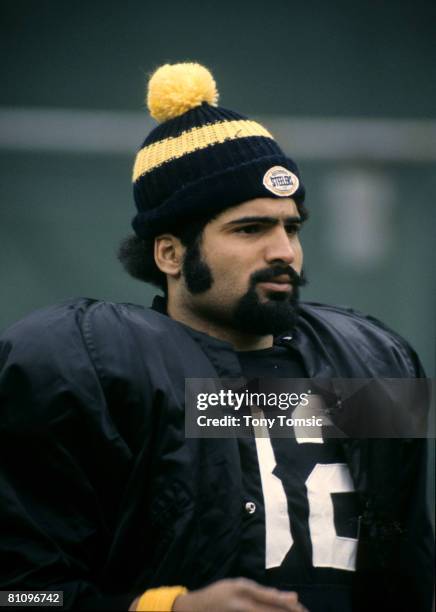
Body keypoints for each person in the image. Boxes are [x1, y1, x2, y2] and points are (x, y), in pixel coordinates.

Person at [0, 62, 433, 612]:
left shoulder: (372, 361)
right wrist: (167, 609)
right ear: (171, 253)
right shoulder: (96, 370)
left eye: (291, 226)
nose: (284, 251)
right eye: (250, 228)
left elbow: (406, 571)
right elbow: (18, 594)